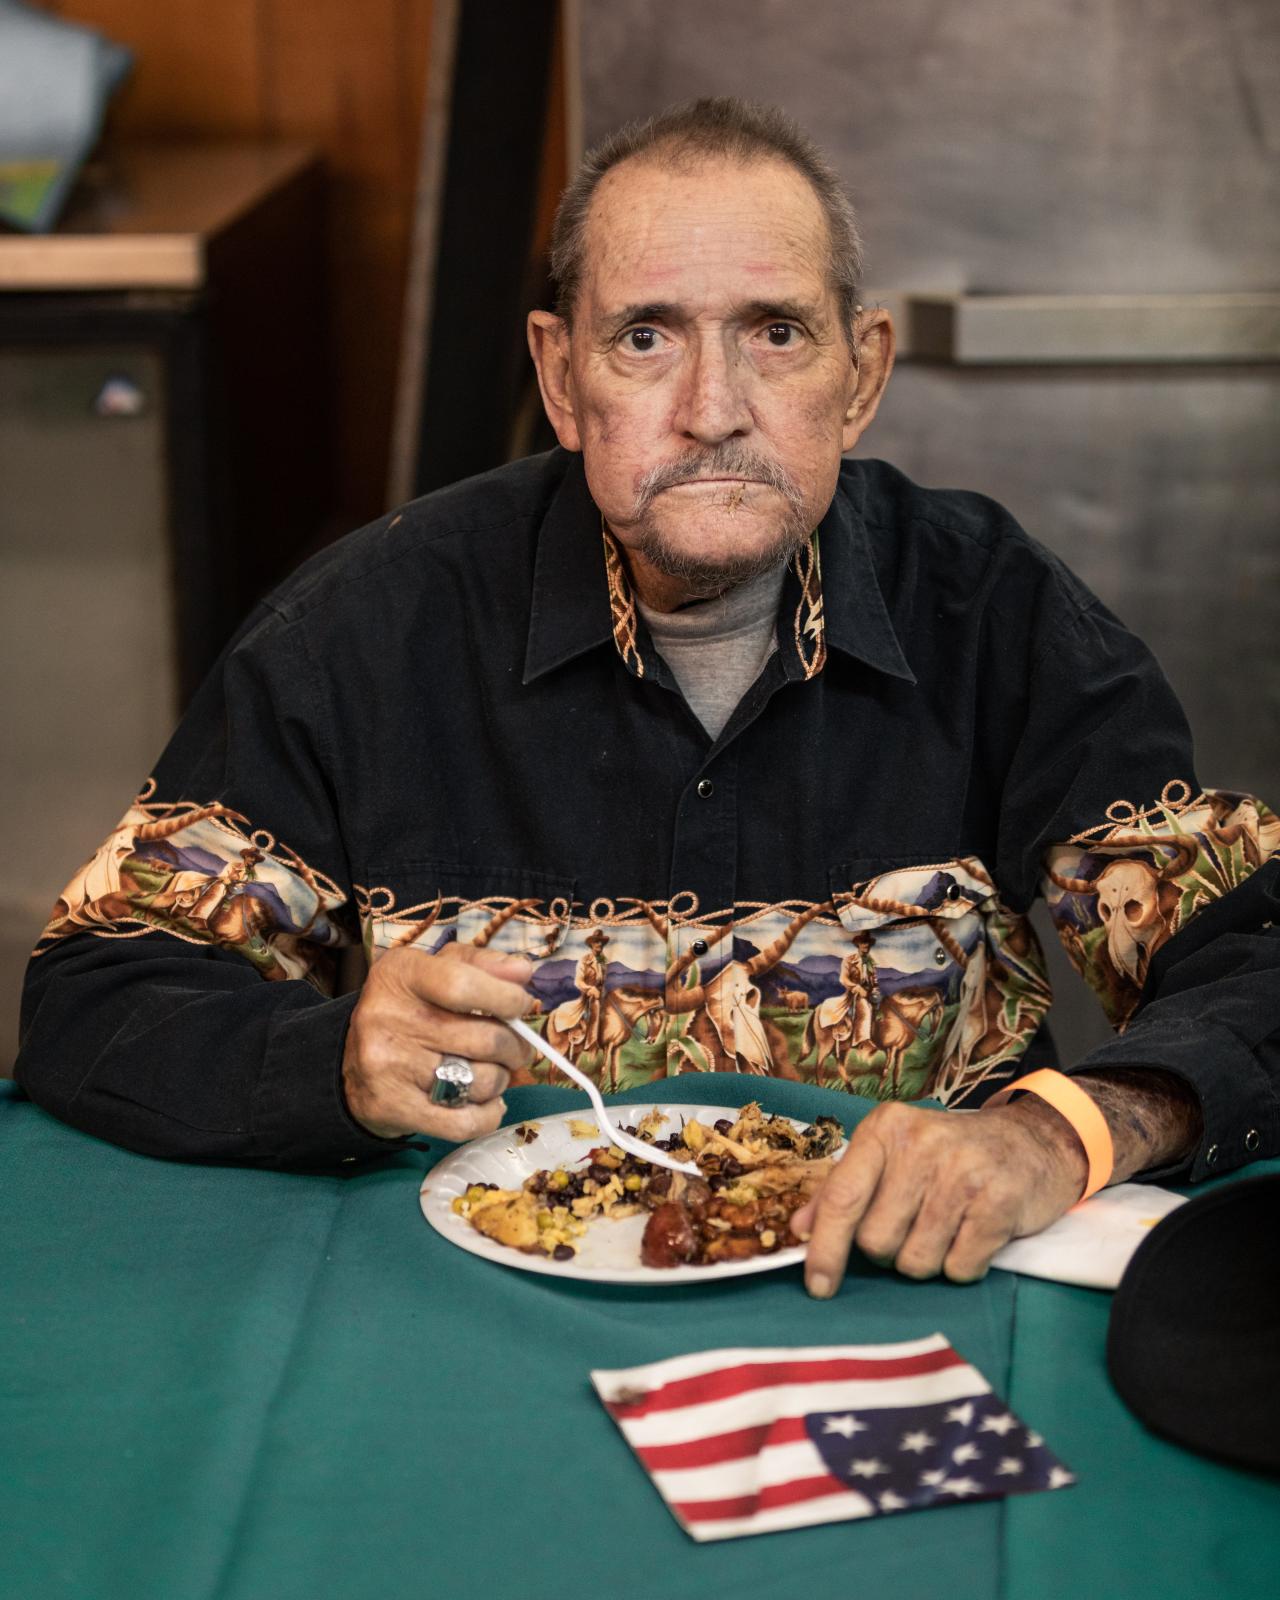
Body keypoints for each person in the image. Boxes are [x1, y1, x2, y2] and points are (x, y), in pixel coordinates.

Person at [16, 98, 1279, 1297]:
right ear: (561, 378)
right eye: (644, 338)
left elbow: (1254, 960)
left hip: (907, 1302)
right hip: (471, 1319)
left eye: (775, 333)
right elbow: (96, 993)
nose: (711, 411)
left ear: (861, 371)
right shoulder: (362, 630)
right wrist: (330, 1058)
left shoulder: (995, 613)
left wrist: (1058, 1136)